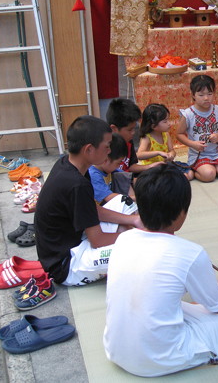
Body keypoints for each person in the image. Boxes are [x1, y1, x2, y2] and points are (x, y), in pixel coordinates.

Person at [103, 164, 218, 377]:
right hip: (162, 359)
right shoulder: (190, 253)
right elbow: (217, 304)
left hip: (116, 350)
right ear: (181, 213)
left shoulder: (123, 239)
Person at [35, 116, 143, 286]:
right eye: (107, 147)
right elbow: (97, 240)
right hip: (68, 264)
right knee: (138, 248)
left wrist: (134, 220)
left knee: (124, 201)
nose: (109, 151)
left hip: (77, 240)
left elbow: (92, 210)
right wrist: (135, 235)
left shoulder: (68, 163)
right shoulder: (76, 184)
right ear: (89, 150)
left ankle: (127, 235)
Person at [176, 75, 218, 182]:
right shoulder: (188, 114)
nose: (206, 98)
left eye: (210, 94)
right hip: (198, 155)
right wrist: (192, 144)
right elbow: (179, 134)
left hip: (216, 152)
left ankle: (211, 167)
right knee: (209, 175)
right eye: (201, 95)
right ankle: (194, 170)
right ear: (193, 95)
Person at [106, 98, 163, 192]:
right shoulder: (105, 147)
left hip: (128, 179)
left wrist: (150, 166)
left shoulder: (129, 141)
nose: (133, 133)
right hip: (116, 184)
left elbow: (131, 166)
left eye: (134, 128)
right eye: (129, 130)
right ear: (114, 128)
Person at [88, 132, 135, 204]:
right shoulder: (93, 174)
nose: (119, 166)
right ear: (105, 159)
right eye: (118, 163)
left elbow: (129, 179)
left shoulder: (110, 170)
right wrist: (134, 198)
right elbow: (109, 197)